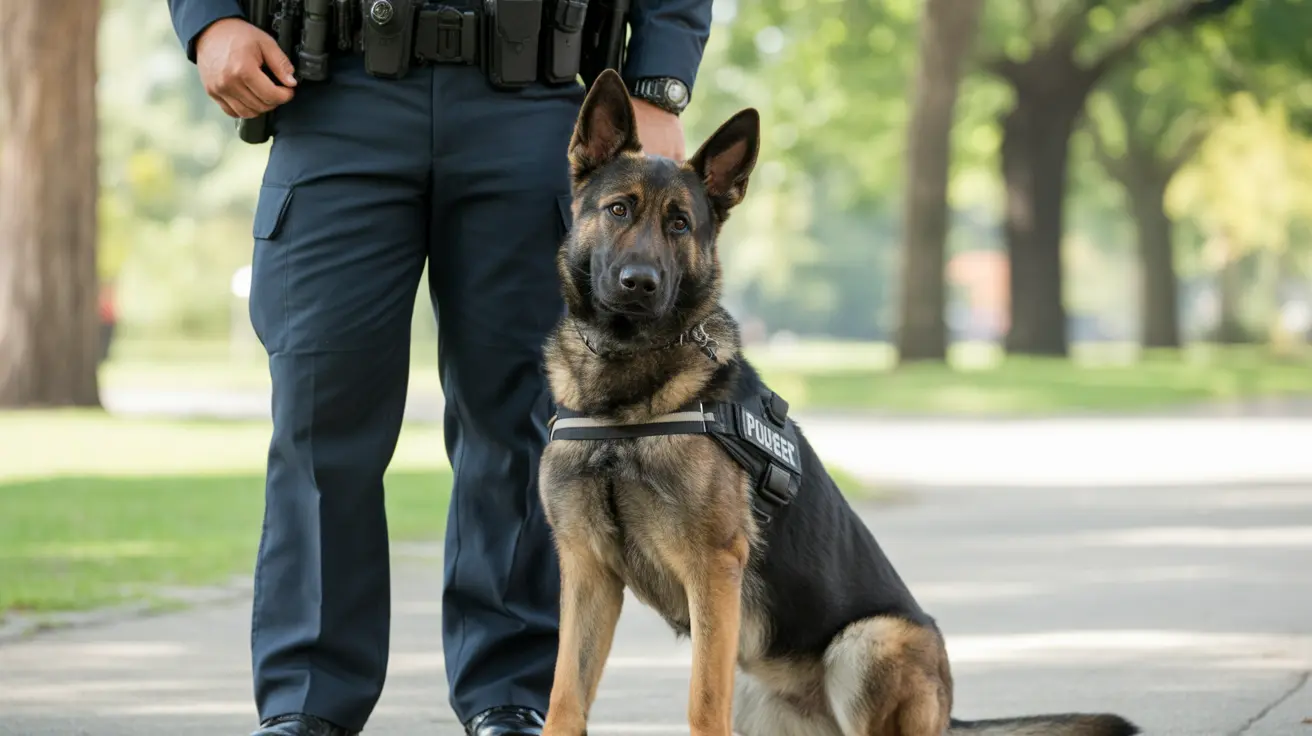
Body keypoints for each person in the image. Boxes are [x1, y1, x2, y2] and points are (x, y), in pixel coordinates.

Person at [165, 1, 712, 734]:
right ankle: (305, 703)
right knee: (321, 416)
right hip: (335, 95)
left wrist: (660, 79)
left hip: (536, 103)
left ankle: (511, 694)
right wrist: (210, 20)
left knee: (527, 418)